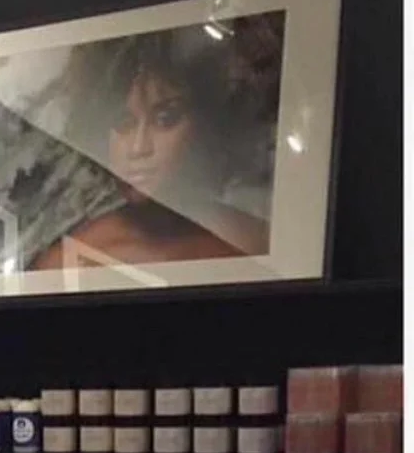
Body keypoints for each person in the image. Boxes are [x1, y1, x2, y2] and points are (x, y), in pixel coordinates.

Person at [31, 23, 276, 270]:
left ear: (207, 121)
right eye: (122, 122)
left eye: (165, 119)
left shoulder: (259, 242)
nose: (139, 148)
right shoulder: (67, 263)